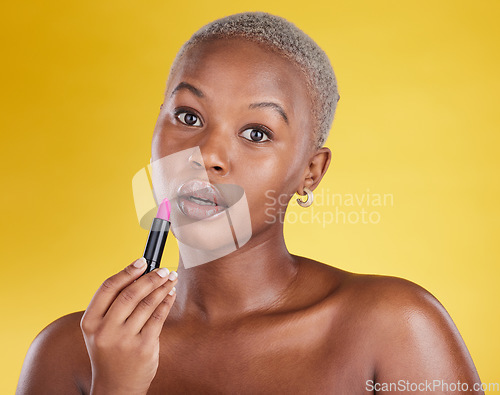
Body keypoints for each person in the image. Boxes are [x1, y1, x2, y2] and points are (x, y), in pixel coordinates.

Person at [17, 12, 483, 394]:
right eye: (187, 116)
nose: (207, 156)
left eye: (256, 132)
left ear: (311, 172)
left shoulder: (396, 327)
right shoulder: (68, 353)